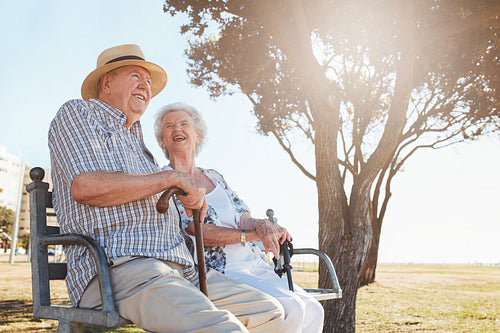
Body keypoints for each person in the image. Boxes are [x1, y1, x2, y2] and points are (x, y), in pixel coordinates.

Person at [48, 44, 284, 333]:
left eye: (148, 81)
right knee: (225, 330)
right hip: (121, 267)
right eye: (136, 76)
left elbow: (153, 195)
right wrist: (170, 179)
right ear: (106, 81)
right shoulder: (79, 113)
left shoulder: (137, 141)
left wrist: (183, 201)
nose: (145, 86)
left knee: (269, 313)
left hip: (181, 270)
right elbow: (84, 186)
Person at [154, 103, 325, 333]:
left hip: (254, 262)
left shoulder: (214, 176)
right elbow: (195, 230)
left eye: (184, 123)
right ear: (163, 140)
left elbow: (242, 214)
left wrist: (264, 226)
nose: (177, 129)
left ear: (197, 134)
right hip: (221, 270)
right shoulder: (167, 180)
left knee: (314, 310)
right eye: (169, 126)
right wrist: (251, 235)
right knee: (291, 309)